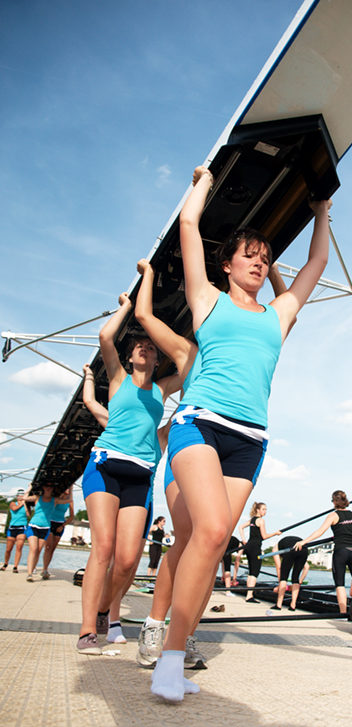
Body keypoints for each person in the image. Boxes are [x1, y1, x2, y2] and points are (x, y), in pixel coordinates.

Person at [150, 163, 331, 702]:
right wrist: (202, 180)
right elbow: (188, 227)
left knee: (210, 542)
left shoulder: (279, 316)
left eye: (266, 257)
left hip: (249, 439)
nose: (259, 262)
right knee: (205, 533)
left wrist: (321, 212)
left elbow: (317, 261)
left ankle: (173, 650)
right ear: (226, 265)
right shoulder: (208, 301)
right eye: (248, 255)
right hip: (199, 422)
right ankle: (169, 658)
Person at [134, 254, 288, 671]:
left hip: (236, 441)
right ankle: (153, 625)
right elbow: (145, 315)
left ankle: (182, 635)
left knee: (214, 542)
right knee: (186, 535)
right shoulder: (187, 352)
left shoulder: (254, 335)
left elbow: (283, 312)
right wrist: (149, 276)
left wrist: (272, 273)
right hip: (193, 446)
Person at [77, 292, 181, 655]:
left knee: (126, 560)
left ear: (157, 357)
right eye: (137, 345)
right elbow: (106, 338)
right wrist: (126, 305)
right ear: (129, 355)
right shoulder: (118, 377)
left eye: (150, 346)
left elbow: (191, 363)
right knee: (103, 548)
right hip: (105, 467)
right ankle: (89, 629)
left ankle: (108, 610)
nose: (143, 348)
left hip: (140, 475)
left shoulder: (162, 389)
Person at [295, 490, 352, 614]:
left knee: (340, 584)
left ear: (334, 502)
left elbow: (319, 532)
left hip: (341, 552)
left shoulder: (333, 516)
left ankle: (343, 613)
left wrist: (304, 542)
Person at [239, 502, 280, 602]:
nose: (265, 511)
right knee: (254, 573)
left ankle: (249, 594)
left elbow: (240, 527)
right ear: (258, 510)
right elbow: (264, 536)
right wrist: (275, 533)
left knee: (251, 571)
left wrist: (244, 540)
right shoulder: (261, 521)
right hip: (255, 548)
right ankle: (249, 596)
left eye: (266, 509)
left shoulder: (252, 520)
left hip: (248, 546)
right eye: (263, 509)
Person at [24, 484, 59, 581]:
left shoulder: (54, 500)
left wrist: (71, 489)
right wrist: (30, 487)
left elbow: (69, 500)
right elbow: (25, 498)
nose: (48, 488)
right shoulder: (37, 498)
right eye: (46, 486)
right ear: (43, 487)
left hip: (45, 528)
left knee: (38, 550)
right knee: (34, 549)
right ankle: (30, 574)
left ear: (53, 489)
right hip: (33, 526)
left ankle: (34, 568)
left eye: (50, 487)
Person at [41, 486, 74, 579]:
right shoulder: (55, 498)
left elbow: (71, 517)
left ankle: (46, 568)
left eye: (68, 489)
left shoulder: (70, 501)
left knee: (52, 549)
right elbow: (50, 508)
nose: (66, 491)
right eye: (65, 488)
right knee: (48, 546)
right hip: (50, 522)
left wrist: (63, 525)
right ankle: (44, 569)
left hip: (60, 525)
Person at [271, 535, 309, 611]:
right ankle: (293, 605)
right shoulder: (285, 543)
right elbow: (307, 567)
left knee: (283, 577)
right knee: (295, 578)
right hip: (304, 549)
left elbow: (279, 568)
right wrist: (300, 582)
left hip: (291, 549)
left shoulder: (275, 550)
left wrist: (279, 586)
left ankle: (279, 605)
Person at [1, 489, 29, 572]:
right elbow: (14, 509)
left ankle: (15, 566)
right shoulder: (13, 503)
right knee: (8, 549)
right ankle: (6, 563)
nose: (21, 497)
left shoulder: (26, 505)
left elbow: (28, 514)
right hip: (13, 527)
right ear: (17, 496)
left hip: (22, 527)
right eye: (19, 495)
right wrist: (22, 504)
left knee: (19, 547)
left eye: (22, 495)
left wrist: (25, 505)